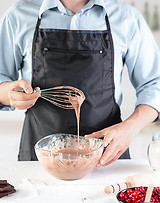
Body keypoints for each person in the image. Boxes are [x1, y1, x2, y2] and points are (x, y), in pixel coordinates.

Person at [0, 0, 160, 165]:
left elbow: (154, 84)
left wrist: (130, 128)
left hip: (106, 159)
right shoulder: (19, 15)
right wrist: (9, 94)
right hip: (39, 160)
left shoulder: (126, 17)